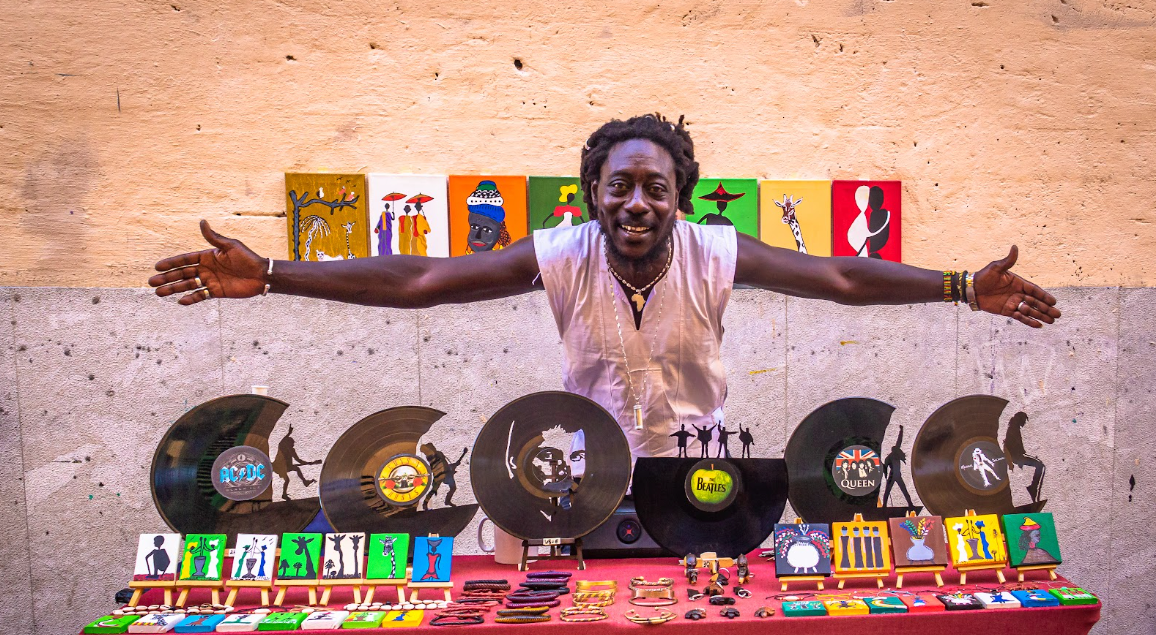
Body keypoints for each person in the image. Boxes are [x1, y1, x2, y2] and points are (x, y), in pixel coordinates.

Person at [150, 114, 1060, 459]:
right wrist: (274, 274)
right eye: (618, 186)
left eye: (655, 188)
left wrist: (957, 285)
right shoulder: (559, 252)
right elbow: (422, 276)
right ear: (592, 192)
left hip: (705, 470)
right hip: (586, 470)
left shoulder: (715, 251)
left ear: (679, 198)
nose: (635, 203)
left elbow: (839, 275)